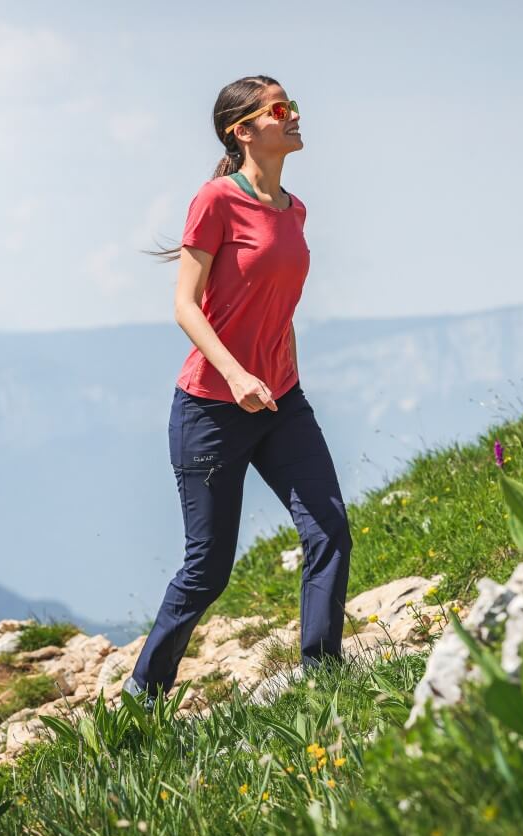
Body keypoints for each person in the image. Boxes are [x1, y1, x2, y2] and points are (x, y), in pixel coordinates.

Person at [123, 75, 353, 707]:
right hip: (210, 408)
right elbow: (185, 305)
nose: (295, 114)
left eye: (293, 104)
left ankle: (323, 678)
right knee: (208, 571)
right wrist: (235, 374)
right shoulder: (216, 200)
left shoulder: (295, 209)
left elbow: (279, 309)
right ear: (242, 130)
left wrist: (283, 377)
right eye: (281, 109)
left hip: (281, 402)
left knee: (329, 529)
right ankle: (142, 700)